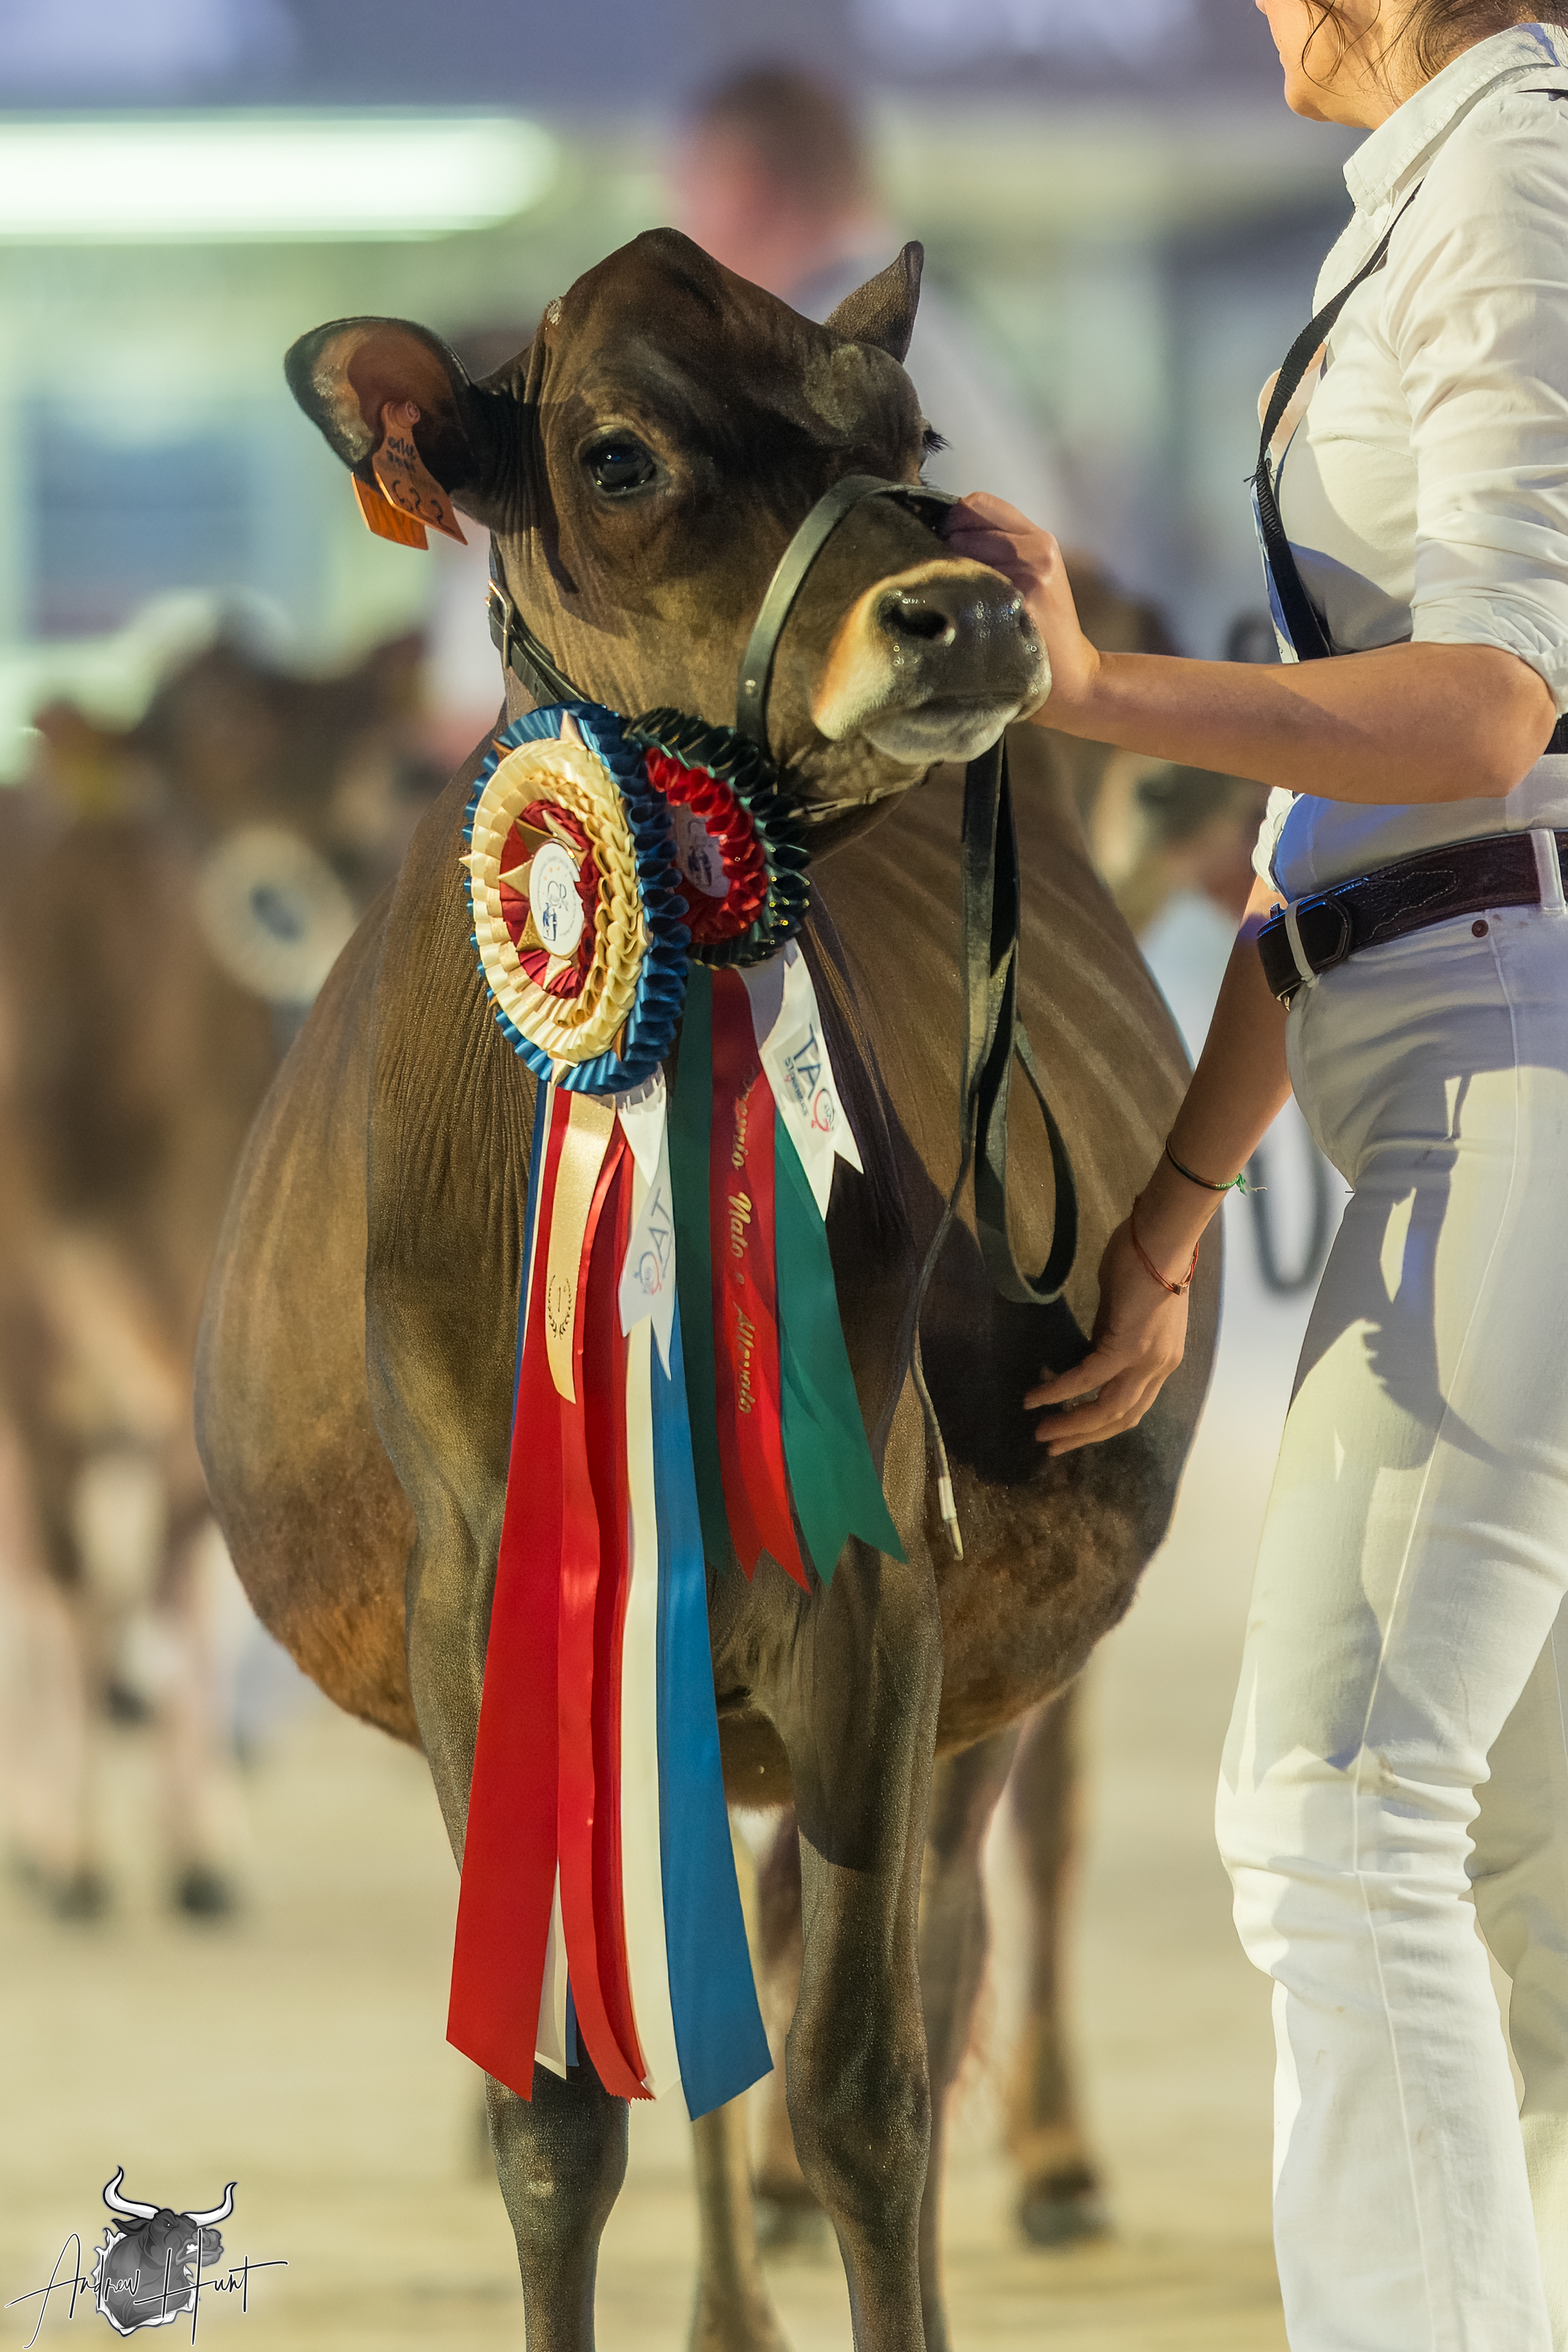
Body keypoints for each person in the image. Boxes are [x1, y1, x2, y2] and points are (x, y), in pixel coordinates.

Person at [948, 5, 1568, 2347]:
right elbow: (1342, 834)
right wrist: (1177, 1209)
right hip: (1457, 1025)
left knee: (1332, 1807)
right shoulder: (1458, 172)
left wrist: (1091, 688)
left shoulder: (1509, 167)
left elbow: (1483, 706)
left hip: (1508, 1052)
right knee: (1508, 1869)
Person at [670, 64, 1068, 526]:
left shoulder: (808, 368)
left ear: (744, 189)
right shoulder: (939, 339)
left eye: (687, 194)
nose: (680, 227)